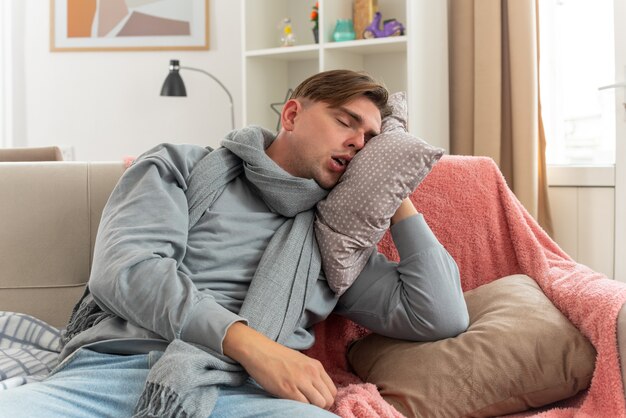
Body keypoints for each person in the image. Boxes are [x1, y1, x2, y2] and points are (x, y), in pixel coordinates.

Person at [0, 70, 468, 417]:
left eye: (369, 141)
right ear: (292, 114)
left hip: (245, 395)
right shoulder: (178, 167)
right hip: (110, 372)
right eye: (347, 122)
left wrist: (394, 191)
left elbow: (439, 314)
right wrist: (252, 346)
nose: (357, 144)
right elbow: (130, 270)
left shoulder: (337, 242)